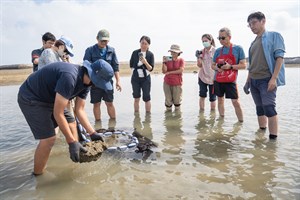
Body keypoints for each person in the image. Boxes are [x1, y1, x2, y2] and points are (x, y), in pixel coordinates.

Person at [18, 59, 113, 175]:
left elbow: (79, 110)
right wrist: (71, 141)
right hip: (32, 97)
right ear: (93, 76)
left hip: (51, 98)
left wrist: (92, 133)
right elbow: (58, 113)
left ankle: (76, 156)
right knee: (49, 139)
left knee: (72, 123)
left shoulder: (87, 83)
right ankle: (38, 175)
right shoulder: (69, 77)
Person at [244, 11, 285, 140]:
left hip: (266, 79)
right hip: (254, 81)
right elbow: (251, 65)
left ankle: (273, 141)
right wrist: (247, 82)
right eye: (249, 25)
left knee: (269, 108)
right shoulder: (253, 43)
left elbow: (279, 58)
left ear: (263, 21)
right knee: (259, 108)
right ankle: (261, 134)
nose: (252, 26)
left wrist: (274, 79)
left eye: (254, 23)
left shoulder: (274, 36)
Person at [83, 29, 122, 121]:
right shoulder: (90, 50)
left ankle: (113, 124)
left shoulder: (111, 50)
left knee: (110, 103)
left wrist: (118, 81)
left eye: (106, 41)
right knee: (96, 104)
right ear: (97, 38)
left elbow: (115, 67)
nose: (104, 42)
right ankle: (98, 125)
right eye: (102, 40)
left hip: (108, 82)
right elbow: (86, 66)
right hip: (95, 82)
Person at [211, 27, 246, 122]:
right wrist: (217, 68)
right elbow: (212, 65)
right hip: (218, 79)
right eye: (219, 38)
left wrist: (230, 67)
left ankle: (241, 122)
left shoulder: (238, 49)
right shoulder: (218, 51)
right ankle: (221, 120)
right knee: (220, 100)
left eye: (223, 38)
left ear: (229, 37)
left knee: (235, 102)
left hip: (231, 80)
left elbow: (243, 65)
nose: (221, 40)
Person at [130, 36, 154, 113]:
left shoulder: (150, 54)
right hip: (135, 78)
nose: (143, 45)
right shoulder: (134, 53)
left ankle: (148, 117)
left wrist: (145, 62)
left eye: (145, 43)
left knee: (147, 98)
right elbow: (131, 65)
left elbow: (151, 68)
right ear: (140, 43)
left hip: (146, 79)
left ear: (148, 45)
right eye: (142, 43)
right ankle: (136, 115)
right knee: (136, 97)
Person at [196, 34, 217, 111]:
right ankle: (201, 113)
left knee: (213, 98)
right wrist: (198, 57)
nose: (204, 42)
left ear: (210, 40)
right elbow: (199, 65)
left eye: (206, 41)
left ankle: (212, 115)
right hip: (203, 77)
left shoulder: (216, 51)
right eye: (203, 41)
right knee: (202, 96)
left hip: (213, 78)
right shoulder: (201, 52)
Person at [162, 44, 185, 111]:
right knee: (168, 102)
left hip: (177, 83)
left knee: (177, 102)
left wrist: (169, 73)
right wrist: (164, 62)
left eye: (175, 52)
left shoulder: (181, 60)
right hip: (167, 83)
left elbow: (181, 70)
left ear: (178, 53)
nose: (173, 53)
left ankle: (177, 120)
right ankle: (168, 118)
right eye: (172, 52)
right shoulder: (167, 60)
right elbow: (164, 71)